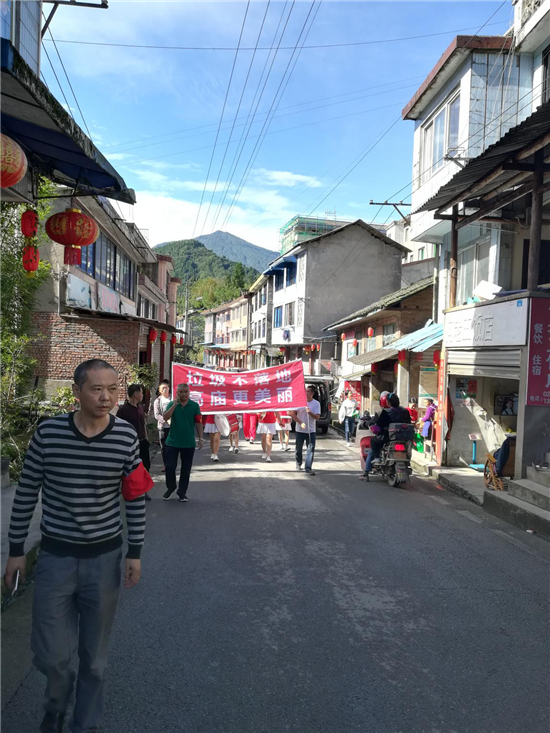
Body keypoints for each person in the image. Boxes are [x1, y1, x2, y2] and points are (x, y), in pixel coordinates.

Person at [4, 358, 151, 733]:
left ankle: (84, 724)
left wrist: (135, 551)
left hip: (104, 559)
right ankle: (56, 703)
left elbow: (134, 496)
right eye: (96, 389)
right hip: (55, 558)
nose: (106, 398)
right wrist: (16, 550)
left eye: (113, 389)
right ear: (76, 392)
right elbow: (26, 493)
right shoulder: (49, 434)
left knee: (94, 657)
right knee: (50, 655)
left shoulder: (125, 436)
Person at [162, 383, 203, 501]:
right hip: (172, 442)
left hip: (188, 443)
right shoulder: (172, 404)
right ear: (177, 393)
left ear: (189, 392)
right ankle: (171, 487)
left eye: (186, 392)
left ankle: (182, 492)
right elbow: (165, 417)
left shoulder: (194, 406)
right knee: (170, 467)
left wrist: (200, 438)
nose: (183, 394)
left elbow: (199, 423)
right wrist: (175, 405)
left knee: (186, 469)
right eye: (181, 392)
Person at [363, 392, 411, 480]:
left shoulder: (386, 412)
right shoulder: (405, 411)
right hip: (404, 437)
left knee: (373, 441)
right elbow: (409, 423)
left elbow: (379, 425)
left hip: (387, 438)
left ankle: (376, 458)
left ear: (388, 402)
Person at [117, 384, 152, 501]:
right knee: (130, 468)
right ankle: (127, 490)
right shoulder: (123, 410)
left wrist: (146, 438)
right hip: (129, 444)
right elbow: (119, 427)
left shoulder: (140, 407)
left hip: (142, 441)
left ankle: (143, 490)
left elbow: (143, 424)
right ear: (135, 394)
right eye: (141, 392)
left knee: (145, 465)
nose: (142, 395)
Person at [290, 385, 321, 476]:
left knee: (310, 449)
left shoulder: (316, 404)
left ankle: (308, 467)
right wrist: (300, 422)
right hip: (300, 430)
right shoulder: (300, 402)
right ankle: (298, 462)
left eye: (308, 392)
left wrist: (310, 412)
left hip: (311, 430)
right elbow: (291, 413)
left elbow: (317, 417)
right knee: (298, 448)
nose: (306, 393)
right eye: (305, 391)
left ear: (312, 393)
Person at [153, 379, 171, 471]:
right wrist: (165, 421)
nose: (165, 389)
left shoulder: (173, 399)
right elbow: (157, 414)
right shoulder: (157, 401)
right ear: (160, 390)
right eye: (163, 388)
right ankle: (166, 465)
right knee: (164, 447)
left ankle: (172, 463)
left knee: (172, 447)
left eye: (166, 387)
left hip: (172, 427)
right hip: (163, 427)